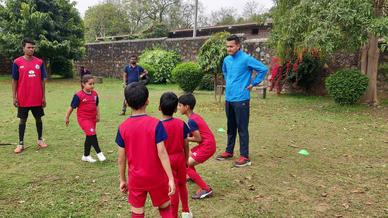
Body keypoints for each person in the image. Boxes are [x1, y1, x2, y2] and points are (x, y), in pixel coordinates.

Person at [116, 82, 175, 218]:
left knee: (137, 212)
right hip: (157, 177)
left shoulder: (122, 127)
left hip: (136, 179)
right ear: (147, 101)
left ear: (126, 102)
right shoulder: (156, 124)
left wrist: (122, 180)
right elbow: (162, 153)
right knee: (165, 207)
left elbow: (121, 158)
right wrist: (171, 178)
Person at [216, 35, 268, 167]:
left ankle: (245, 156)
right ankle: (229, 151)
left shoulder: (246, 59)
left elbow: (263, 69)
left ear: (238, 46)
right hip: (229, 98)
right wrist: (230, 82)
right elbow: (225, 71)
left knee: (242, 128)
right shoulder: (226, 60)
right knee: (230, 127)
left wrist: (253, 83)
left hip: (242, 99)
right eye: (227, 46)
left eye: (231, 46)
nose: (229, 49)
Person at [12, 38, 48, 154]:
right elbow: (14, 80)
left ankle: (40, 140)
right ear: (23, 48)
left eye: (33, 47)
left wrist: (43, 97)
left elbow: (43, 80)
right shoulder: (17, 62)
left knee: (38, 119)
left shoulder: (39, 62)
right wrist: (14, 97)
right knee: (23, 120)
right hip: (23, 98)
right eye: (29, 47)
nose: (31, 49)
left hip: (37, 98)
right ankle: (21, 143)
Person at [159, 92, 192, 218]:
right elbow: (186, 144)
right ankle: (186, 211)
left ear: (159, 107)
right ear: (175, 109)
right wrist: (186, 158)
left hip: (167, 161)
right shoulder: (181, 124)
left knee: (172, 189)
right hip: (180, 157)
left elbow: (158, 149)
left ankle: (173, 215)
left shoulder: (158, 126)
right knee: (182, 185)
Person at [178, 93, 216, 199]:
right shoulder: (194, 117)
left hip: (207, 146)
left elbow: (198, 138)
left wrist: (184, 138)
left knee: (185, 165)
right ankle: (191, 176)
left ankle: (206, 189)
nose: (178, 108)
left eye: (180, 105)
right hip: (207, 144)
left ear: (187, 107)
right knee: (187, 156)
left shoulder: (191, 120)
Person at [65, 75, 106, 163]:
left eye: (93, 84)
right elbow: (71, 107)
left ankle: (86, 155)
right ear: (83, 84)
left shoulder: (95, 94)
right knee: (92, 134)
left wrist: (98, 115)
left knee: (89, 136)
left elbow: (96, 105)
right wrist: (67, 117)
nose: (92, 86)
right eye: (90, 84)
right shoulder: (78, 95)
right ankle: (99, 153)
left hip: (92, 119)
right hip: (83, 119)